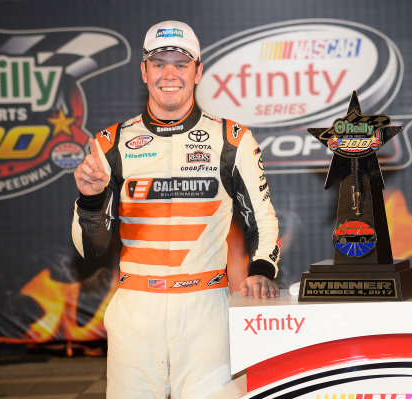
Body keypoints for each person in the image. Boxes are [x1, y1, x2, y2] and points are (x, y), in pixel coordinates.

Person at [71, 20, 280, 399]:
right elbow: (91, 248)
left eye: (181, 64)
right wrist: (90, 200)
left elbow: (261, 220)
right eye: (159, 62)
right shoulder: (110, 144)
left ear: (198, 71)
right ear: (144, 71)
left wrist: (263, 269)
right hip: (136, 310)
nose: (170, 73)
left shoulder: (232, 139)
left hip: (207, 310)